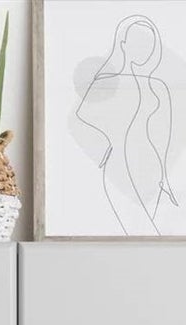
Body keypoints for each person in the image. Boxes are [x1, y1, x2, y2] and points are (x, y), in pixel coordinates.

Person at [75, 14, 178, 235]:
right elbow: (83, 116)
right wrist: (105, 143)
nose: (144, 49)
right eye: (137, 42)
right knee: (140, 234)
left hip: (150, 166)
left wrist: (164, 175)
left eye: (149, 43)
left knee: (145, 233)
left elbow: (163, 134)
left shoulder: (158, 86)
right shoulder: (106, 83)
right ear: (123, 44)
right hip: (119, 163)